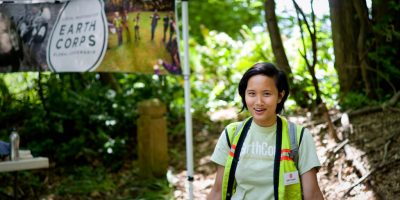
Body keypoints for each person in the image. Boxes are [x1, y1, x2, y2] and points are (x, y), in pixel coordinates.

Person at [207, 62, 324, 200]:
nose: (259, 102)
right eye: (252, 94)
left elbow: (313, 194)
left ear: (280, 96)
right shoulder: (232, 134)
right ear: (244, 95)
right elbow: (217, 191)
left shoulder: (299, 137)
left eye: (267, 94)